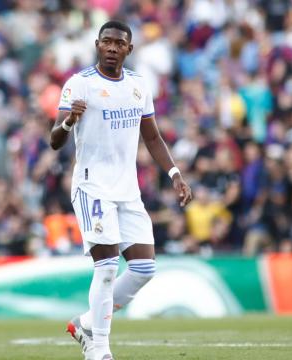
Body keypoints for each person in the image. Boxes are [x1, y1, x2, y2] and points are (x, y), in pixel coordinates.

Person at [50, 21, 193, 360]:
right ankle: (98, 348)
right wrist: (69, 121)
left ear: (130, 49)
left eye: (119, 43)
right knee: (108, 266)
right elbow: (54, 139)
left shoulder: (139, 86)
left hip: (127, 190)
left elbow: (153, 137)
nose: (112, 48)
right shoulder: (79, 84)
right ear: (97, 45)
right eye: (107, 42)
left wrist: (175, 174)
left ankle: (87, 322)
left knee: (144, 268)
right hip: (92, 187)